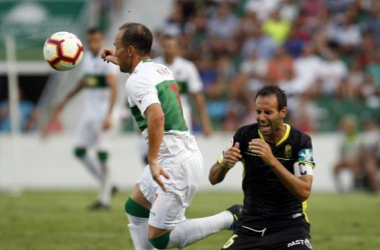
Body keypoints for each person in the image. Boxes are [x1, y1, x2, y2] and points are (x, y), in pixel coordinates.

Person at [102, 22, 241, 249]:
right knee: (135, 208)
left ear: (131, 51)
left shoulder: (136, 80)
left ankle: (231, 217)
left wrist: (153, 160)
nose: (114, 50)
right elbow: (140, 72)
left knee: (160, 238)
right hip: (178, 152)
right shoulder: (159, 68)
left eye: (117, 47)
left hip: (174, 161)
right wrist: (118, 60)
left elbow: (156, 117)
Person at [209, 86, 315, 249]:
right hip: (250, 227)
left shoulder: (300, 141)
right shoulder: (244, 136)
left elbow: (304, 192)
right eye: (258, 112)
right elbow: (213, 178)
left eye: (268, 112)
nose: (261, 117)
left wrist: (272, 160)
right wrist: (224, 165)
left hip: (290, 227)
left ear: (283, 112)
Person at [53, 27, 119, 210]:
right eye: (90, 40)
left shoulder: (107, 59)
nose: (93, 44)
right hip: (88, 114)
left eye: (96, 40)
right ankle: (109, 184)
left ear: (102, 39)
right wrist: (65, 100)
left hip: (104, 114)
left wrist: (109, 115)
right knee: (79, 151)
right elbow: (83, 83)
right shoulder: (85, 59)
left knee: (102, 154)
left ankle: (104, 200)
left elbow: (114, 88)